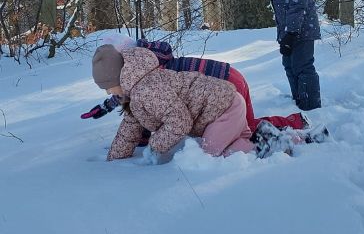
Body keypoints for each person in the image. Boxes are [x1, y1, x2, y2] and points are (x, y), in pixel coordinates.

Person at [82, 36, 307, 135]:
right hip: (229, 75)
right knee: (245, 126)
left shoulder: (151, 77)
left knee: (243, 130)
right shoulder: (143, 70)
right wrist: (106, 106)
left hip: (225, 84)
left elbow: (154, 109)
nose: (110, 90)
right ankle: (294, 123)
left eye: (108, 87)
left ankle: (291, 126)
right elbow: (125, 93)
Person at [92, 43, 254, 162]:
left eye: (108, 86)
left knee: (207, 158)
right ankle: (262, 139)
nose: (108, 92)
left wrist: (154, 147)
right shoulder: (135, 92)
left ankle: (258, 148)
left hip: (224, 108)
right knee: (235, 142)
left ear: (118, 78)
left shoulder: (148, 89)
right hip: (225, 104)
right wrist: (114, 158)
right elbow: (129, 129)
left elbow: (179, 122)